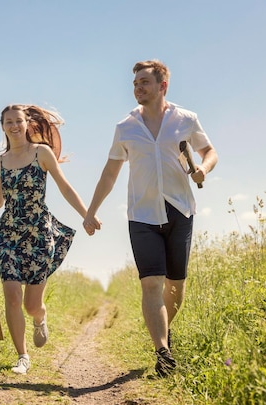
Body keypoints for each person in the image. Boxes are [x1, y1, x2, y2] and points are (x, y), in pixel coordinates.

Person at [83, 60, 218, 377]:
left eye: (144, 82)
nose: (138, 88)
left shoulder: (186, 119)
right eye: (135, 83)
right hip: (142, 215)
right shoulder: (125, 127)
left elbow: (210, 151)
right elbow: (109, 173)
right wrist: (91, 211)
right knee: (152, 284)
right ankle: (163, 353)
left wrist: (203, 169)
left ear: (163, 86)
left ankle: (163, 335)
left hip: (180, 210)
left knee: (175, 286)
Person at [0, 104, 92, 374]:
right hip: (8, 233)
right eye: (8, 122)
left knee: (31, 304)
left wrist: (86, 214)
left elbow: (64, 186)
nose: (14, 126)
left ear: (26, 123)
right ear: (2, 126)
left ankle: (40, 317)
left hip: (38, 233)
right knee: (11, 295)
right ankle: (22, 356)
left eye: (18, 121)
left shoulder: (40, 153)